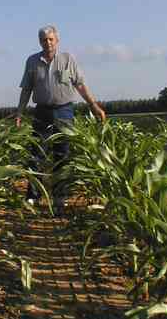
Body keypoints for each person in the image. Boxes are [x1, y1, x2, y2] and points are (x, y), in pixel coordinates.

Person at [15, 25, 106, 207]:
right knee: (36, 153)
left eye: (50, 39)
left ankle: (59, 197)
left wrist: (94, 106)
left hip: (64, 111)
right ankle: (32, 196)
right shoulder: (32, 61)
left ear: (57, 40)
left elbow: (80, 85)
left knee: (62, 155)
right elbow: (26, 89)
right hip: (41, 111)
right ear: (40, 42)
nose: (47, 43)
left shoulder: (67, 59)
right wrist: (20, 112)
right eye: (43, 39)